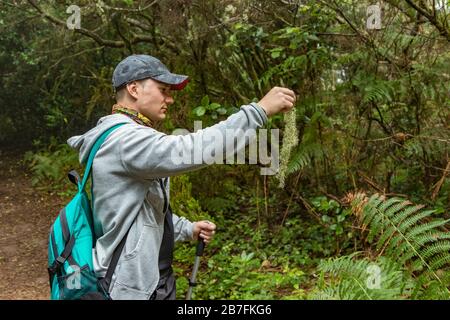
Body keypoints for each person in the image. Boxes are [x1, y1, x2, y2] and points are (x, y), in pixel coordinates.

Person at [67, 54, 296, 300]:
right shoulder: (124, 139)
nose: (170, 99)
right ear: (133, 89)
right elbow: (189, 149)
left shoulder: (129, 137)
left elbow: (141, 212)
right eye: (163, 90)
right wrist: (258, 111)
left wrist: (187, 229)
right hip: (129, 287)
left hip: (153, 280)